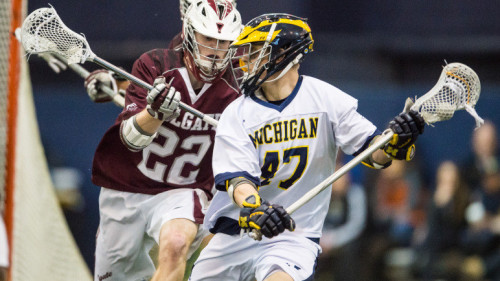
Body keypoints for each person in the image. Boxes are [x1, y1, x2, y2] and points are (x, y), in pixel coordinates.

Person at [188, 13, 425, 281]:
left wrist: (397, 142)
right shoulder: (237, 112)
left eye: (256, 53)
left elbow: (375, 154)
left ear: (285, 54)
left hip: (292, 234)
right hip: (239, 229)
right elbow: (238, 181)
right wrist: (257, 209)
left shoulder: (326, 99)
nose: (246, 61)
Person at [90, 1, 242, 281]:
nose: (215, 51)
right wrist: (155, 113)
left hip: (184, 188)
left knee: (176, 244)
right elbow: (131, 139)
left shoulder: (240, 80)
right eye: (208, 39)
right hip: (128, 184)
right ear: (190, 34)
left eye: (224, 42)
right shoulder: (157, 64)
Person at [83, 0, 238, 105]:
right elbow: (169, 94)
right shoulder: (182, 47)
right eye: (208, 38)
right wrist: (121, 85)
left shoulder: (246, 49)